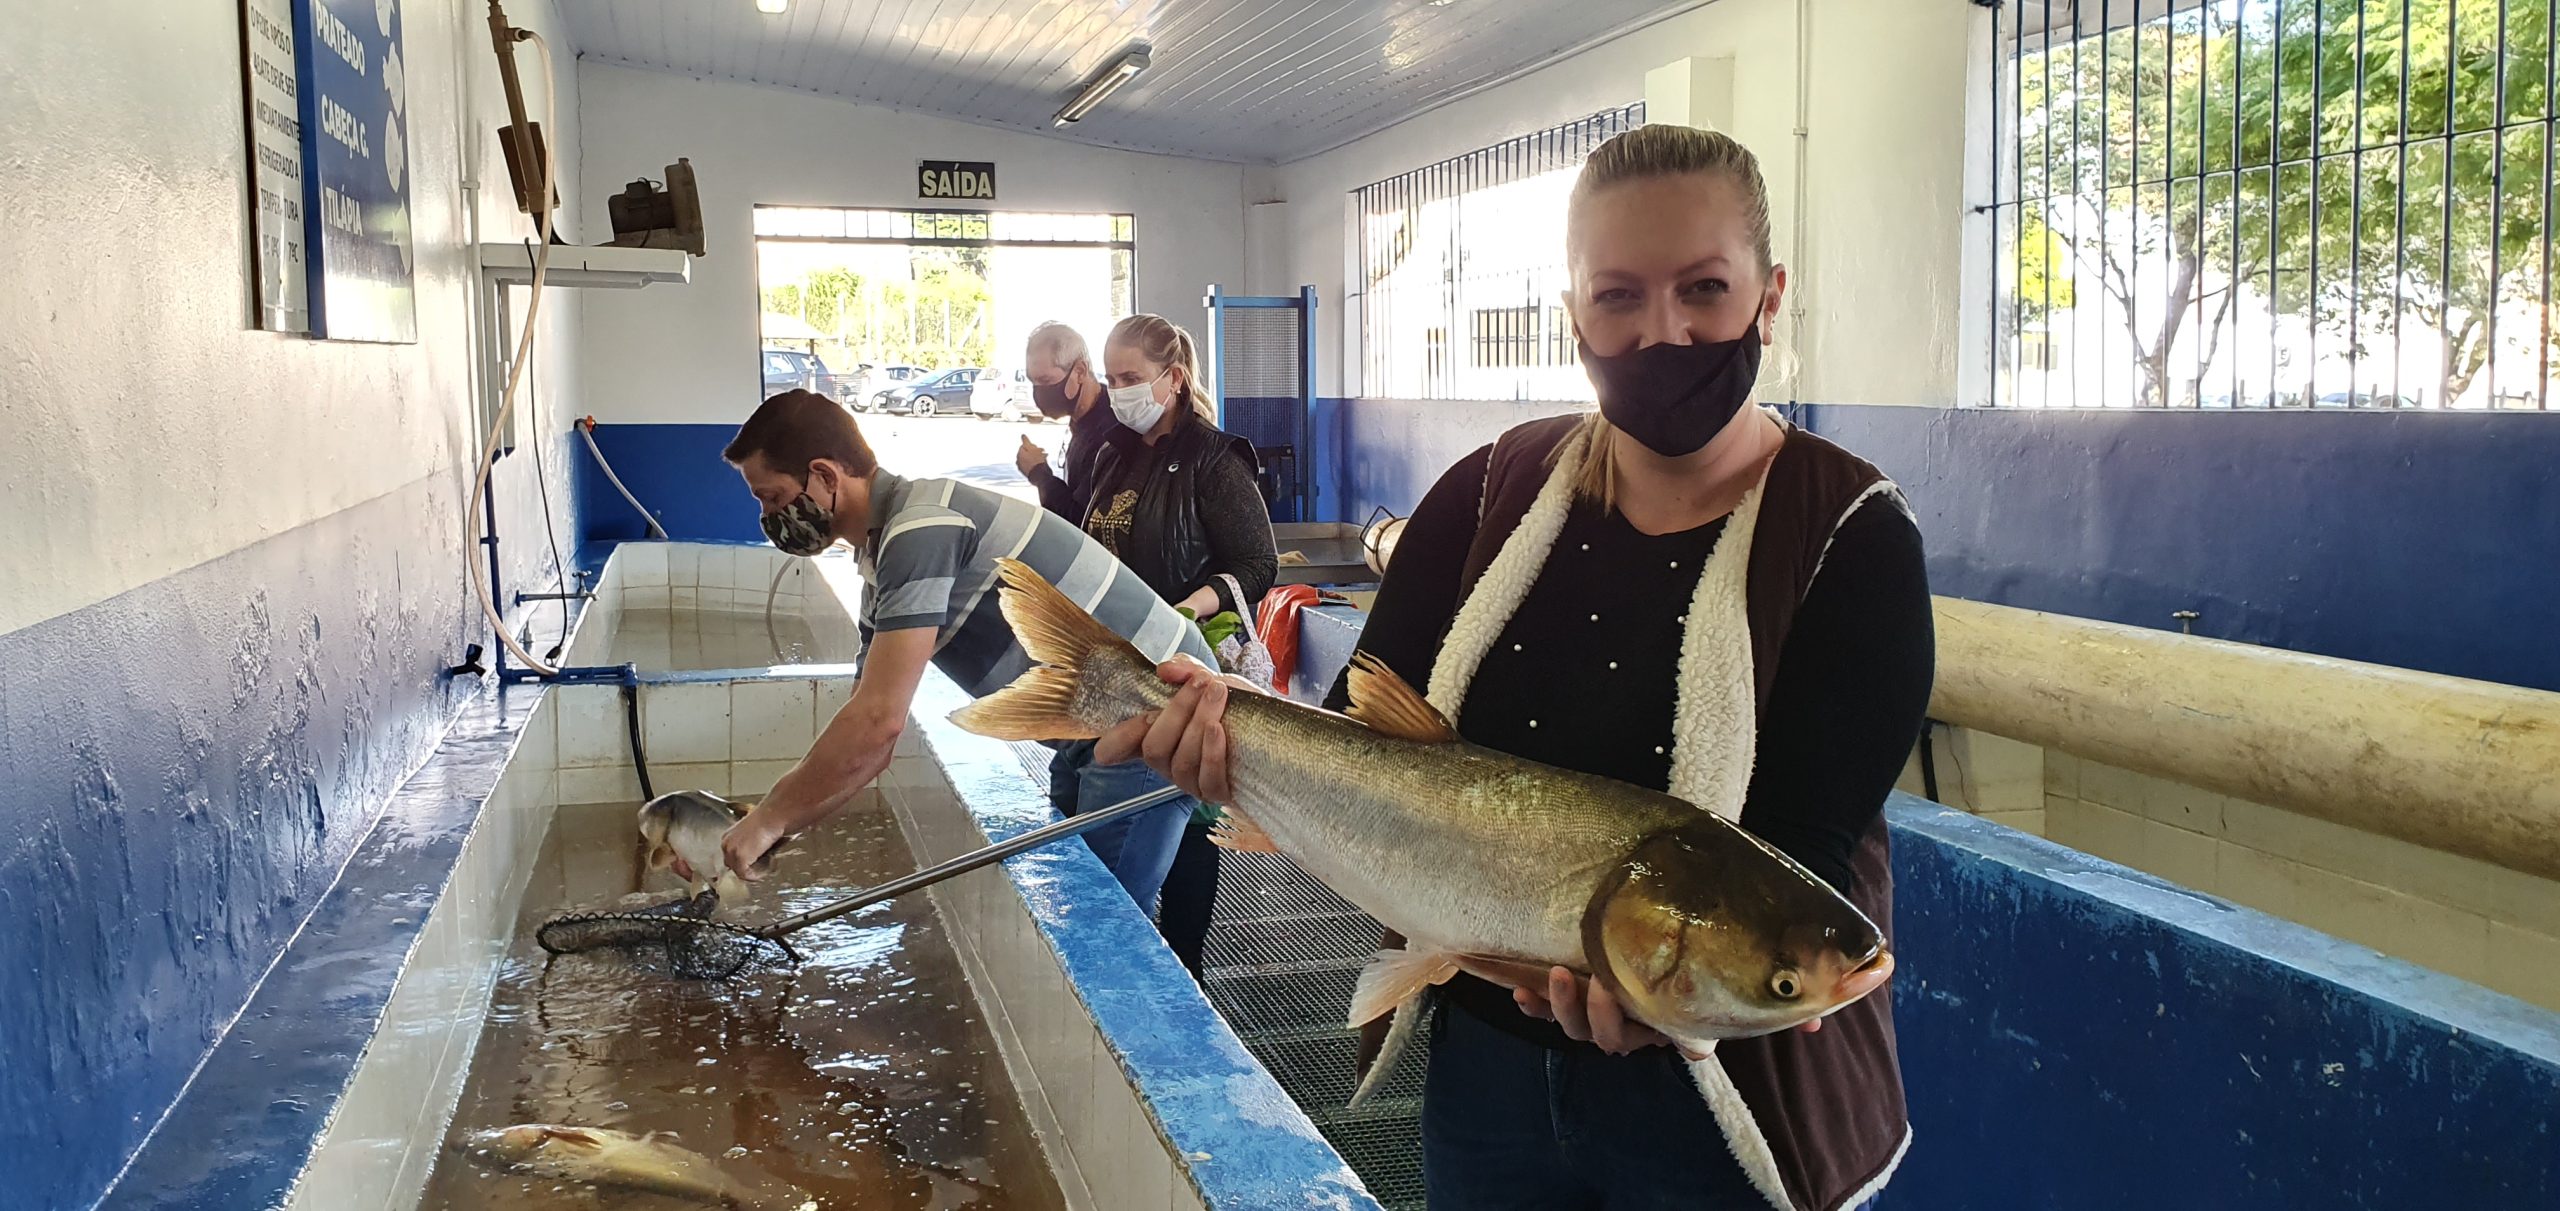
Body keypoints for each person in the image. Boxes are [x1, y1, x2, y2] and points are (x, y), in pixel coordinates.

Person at [1096, 126, 1932, 1211]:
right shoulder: (1487, 490)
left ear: (1769, 298)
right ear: (1574, 311)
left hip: (1725, 1110)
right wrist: (1232, 743)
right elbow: (1373, 754)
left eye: (1705, 289)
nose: (1663, 330)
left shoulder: (1849, 536)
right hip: (1483, 1077)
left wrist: (1681, 984)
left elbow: (1792, 864)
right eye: (1619, 295)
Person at [710, 389, 1213, 915]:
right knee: (1079, 901)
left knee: (1101, 920)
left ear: (825, 476)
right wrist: (773, 827)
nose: (769, 517)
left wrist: (769, 818)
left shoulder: (922, 529)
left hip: (1156, 712)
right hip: (1088, 730)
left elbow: (878, 722)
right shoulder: (882, 562)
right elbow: (867, 743)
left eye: (771, 497)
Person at [1074, 313, 1279, 978]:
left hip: (1182, 661)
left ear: (1174, 378)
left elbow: (1256, 563)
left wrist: (1184, 608)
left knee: (1188, 818)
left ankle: (1185, 969)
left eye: (1130, 377)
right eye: (1110, 378)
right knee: (1116, 804)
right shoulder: (1113, 454)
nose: (1118, 390)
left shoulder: (1216, 459)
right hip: (1114, 664)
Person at [1014, 321, 1119, 522]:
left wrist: (1040, 474)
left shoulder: (1110, 432)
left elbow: (1081, 521)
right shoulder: (1082, 420)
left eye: (1045, 381)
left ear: (1079, 372)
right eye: (1032, 381)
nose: (1038, 392)